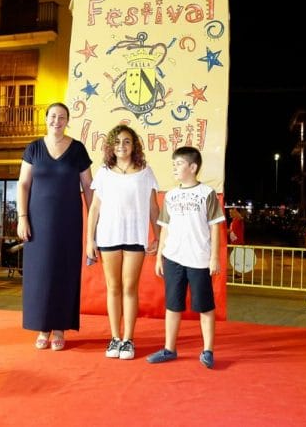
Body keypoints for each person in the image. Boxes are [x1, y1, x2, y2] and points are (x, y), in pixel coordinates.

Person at [17, 102, 93, 351]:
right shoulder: (34, 148)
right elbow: (23, 185)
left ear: (67, 120)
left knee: (64, 273)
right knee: (40, 275)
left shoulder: (78, 149)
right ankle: (43, 327)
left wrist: (94, 221)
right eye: (52, 116)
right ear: (46, 119)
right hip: (38, 223)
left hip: (69, 222)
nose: (56, 121)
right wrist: (22, 216)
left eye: (61, 117)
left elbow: (89, 188)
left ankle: (60, 328)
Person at [146, 146, 225, 369]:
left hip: (199, 259)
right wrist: (160, 256)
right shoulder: (171, 195)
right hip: (173, 258)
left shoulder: (207, 194)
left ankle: (208, 350)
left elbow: (215, 228)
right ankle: (169, 349)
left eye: (179, 164)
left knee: (205, 306)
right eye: (174, 164)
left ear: (193, 167)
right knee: (173, 305)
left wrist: (214, 258)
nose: (175, 168)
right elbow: (165, 228)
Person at [86, 125, 160, 360]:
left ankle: (128, 340)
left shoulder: (146, 172)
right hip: (108, 237)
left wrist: (158, 236)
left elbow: (153, 208)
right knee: (113, 288)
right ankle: (115, 338)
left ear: (134, 145)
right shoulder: (104, 172)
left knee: (130, 288)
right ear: (111, 146)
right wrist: (90, 239)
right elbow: (95, 208)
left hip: (135, 238)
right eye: (117, 142)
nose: (122, 146)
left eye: (126, 141)